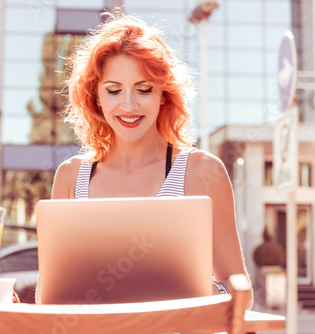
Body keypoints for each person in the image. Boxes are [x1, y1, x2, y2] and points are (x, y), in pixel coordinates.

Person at [37, 12, 254, 309]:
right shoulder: (70, 178)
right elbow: (49, 297)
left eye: (144, 89)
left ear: (163, 94)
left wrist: (203, 292)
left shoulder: (203, 172)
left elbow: (240, 289)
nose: (128, 105)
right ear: (96, 97)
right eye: (113, 90)